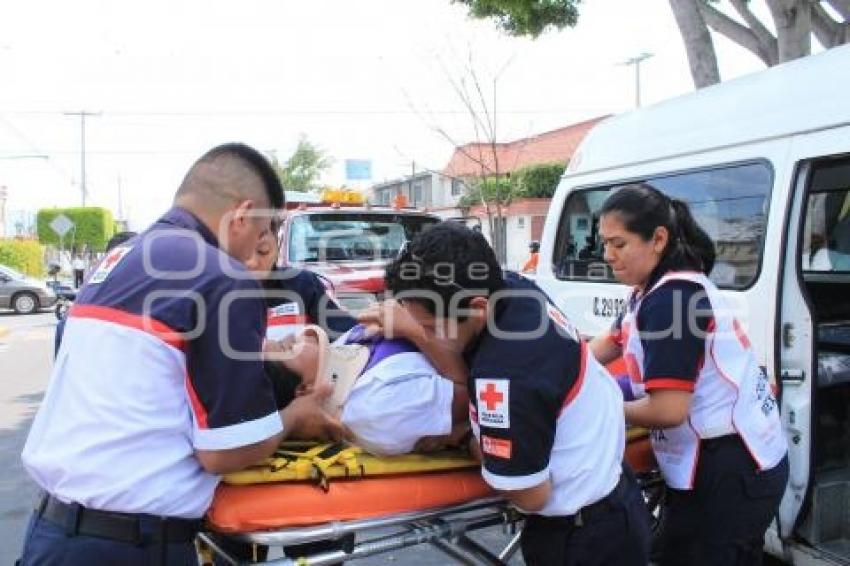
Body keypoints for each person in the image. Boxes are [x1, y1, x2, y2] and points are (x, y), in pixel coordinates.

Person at [19, 143, 344, 566]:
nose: (256, 250)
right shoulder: (220, 276)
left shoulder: (118, 260)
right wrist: (297, 416)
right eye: (262, 233)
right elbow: (225, 451)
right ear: (242, 215)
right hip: (130, 546)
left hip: (52, 533)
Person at [360, 222, 651, 566]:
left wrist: (466, 435)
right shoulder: (513, 288)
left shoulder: (506, 377)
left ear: (478, 308)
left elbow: (530, 495)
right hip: (615, 499)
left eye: (430, 326)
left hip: (585, 538)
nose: (426, 334)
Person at [589, 183, 789, 566]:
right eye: (604, 243)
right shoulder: (649, 291)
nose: (607, 255)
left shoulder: (674, 300)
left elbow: (668, 410)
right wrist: (555, 370)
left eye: (619, 244)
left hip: (734, 469)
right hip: (715, 462)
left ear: (658, 239)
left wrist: (595, 403)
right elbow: (610, 342)